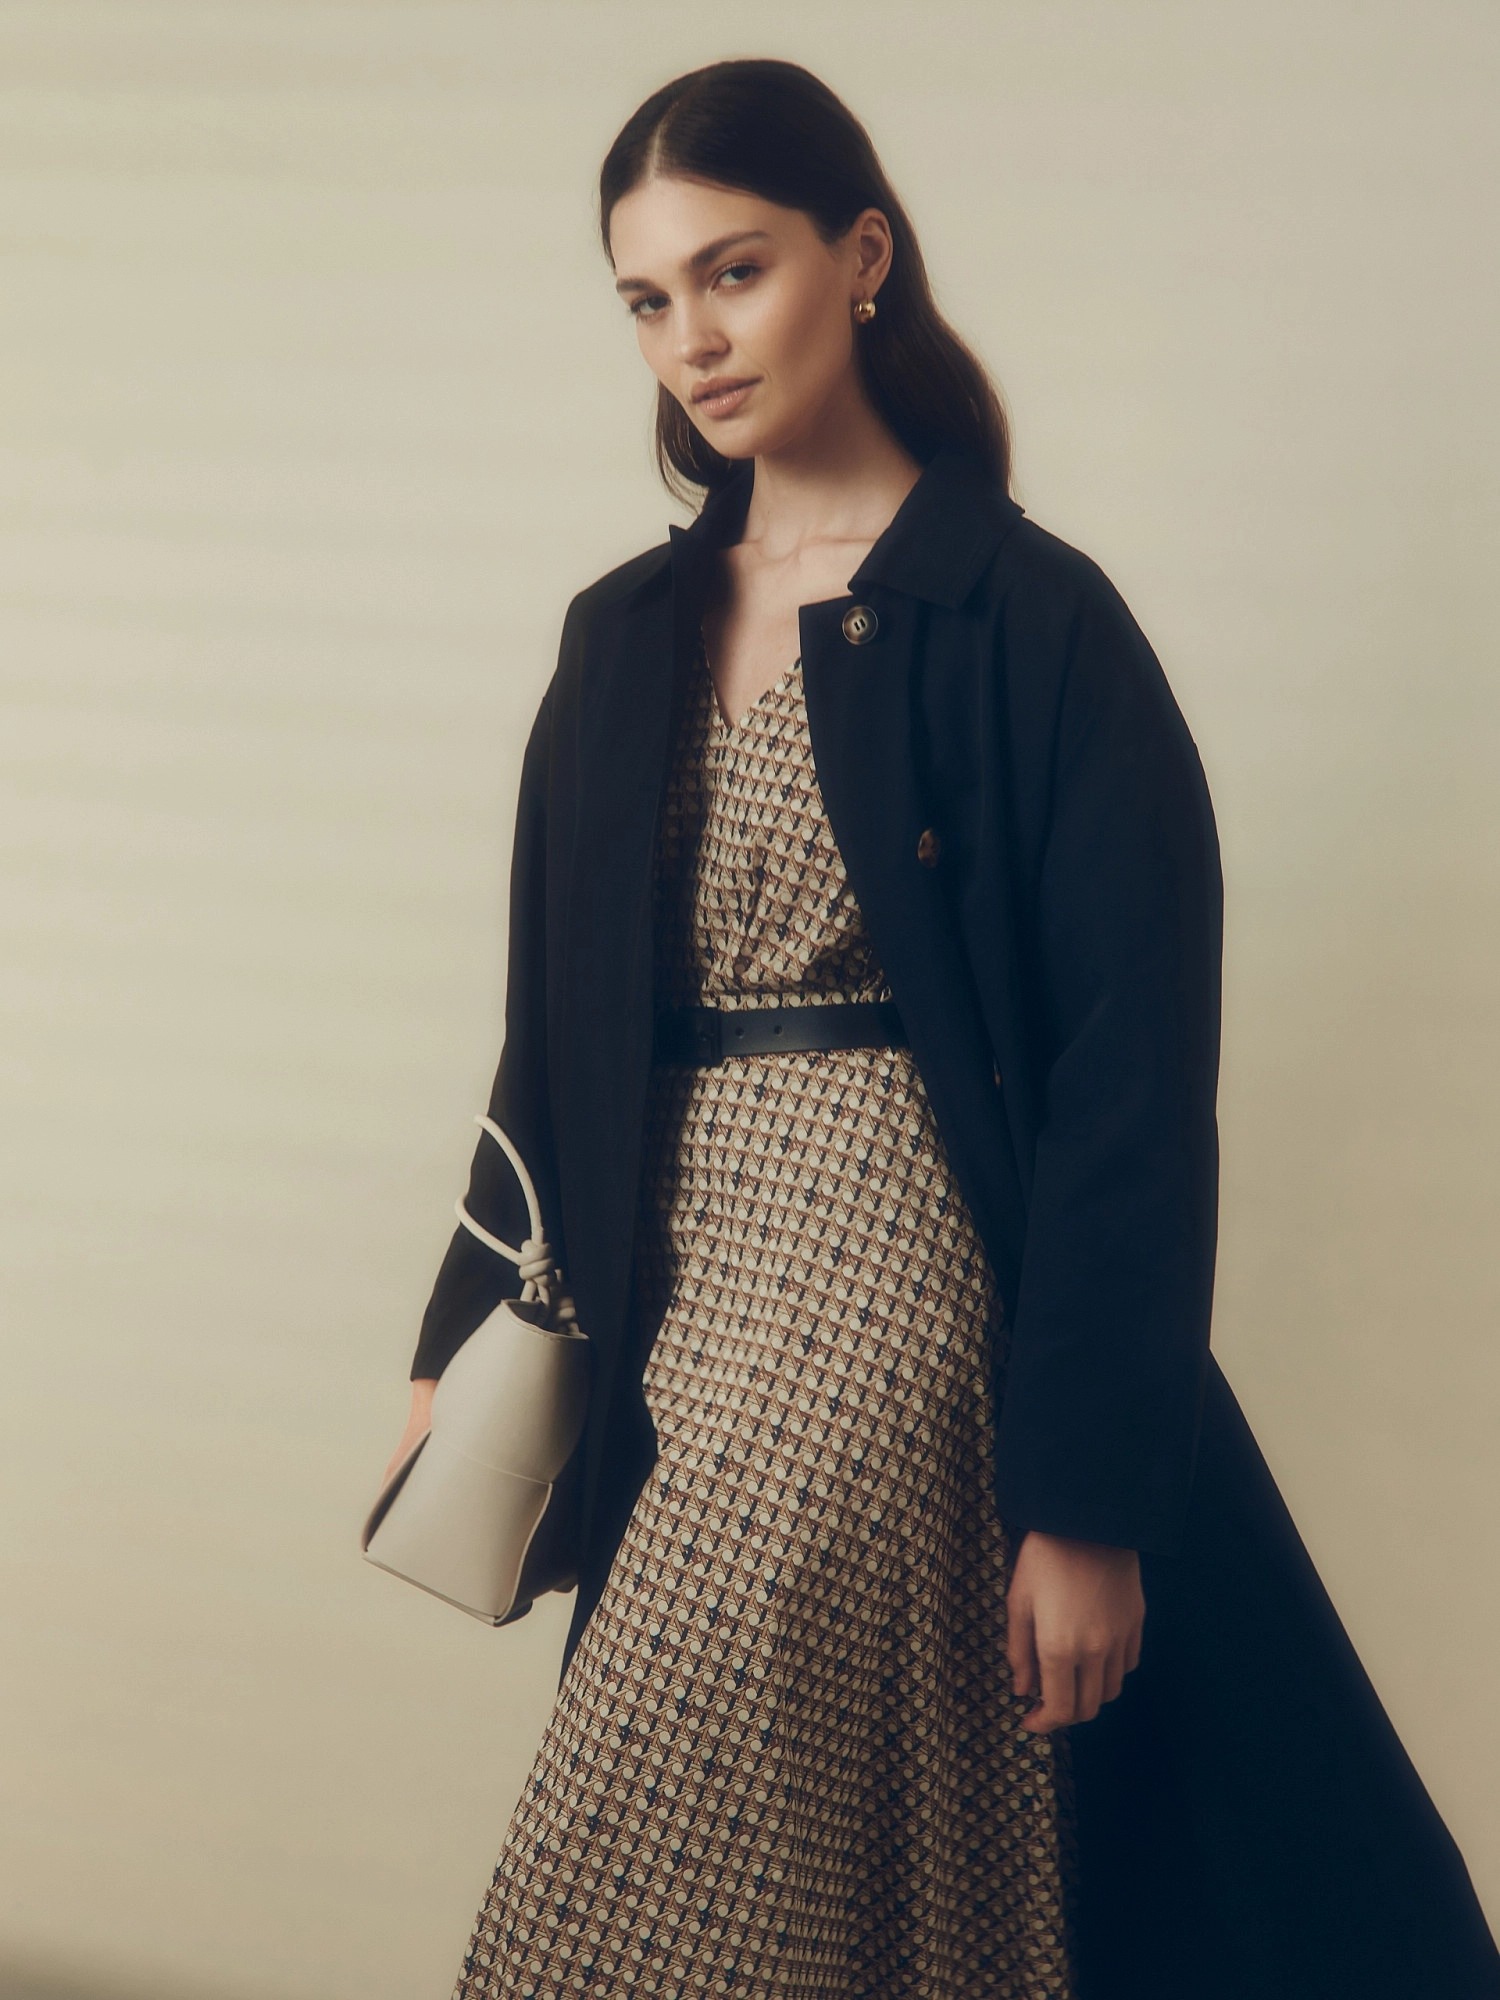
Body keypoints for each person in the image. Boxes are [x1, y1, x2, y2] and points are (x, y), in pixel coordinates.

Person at [381, 57, 1500, 2000]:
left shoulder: (1030, 623)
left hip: (903, 1274)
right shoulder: (619, 637)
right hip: (668, 1272)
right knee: (820, 1857)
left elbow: (1131, 1083)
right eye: (646, 299)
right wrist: (458, 1334)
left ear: (865, 256)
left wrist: (1088, 1500)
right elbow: (545, 1032)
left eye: (735, 271)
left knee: (674, 1824)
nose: (691, 338)